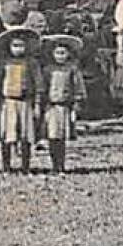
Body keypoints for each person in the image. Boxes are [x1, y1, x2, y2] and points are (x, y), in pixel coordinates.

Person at [0, 27, 39, 174]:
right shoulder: (4, 63)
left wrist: (37, 103)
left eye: (21, 45)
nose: (18, 49)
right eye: (15, 45)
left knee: (25, 135)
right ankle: (6, 166)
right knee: (8, 134)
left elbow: (39, 84)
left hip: (25, 102)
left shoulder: (31, 63)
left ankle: (25, 166)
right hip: (8, 102)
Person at [41, 35, 85, 173]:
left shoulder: (72, 69)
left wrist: (76, 105)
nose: (60, 56)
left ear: (69, 54)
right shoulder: (48, 70)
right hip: (51, 106)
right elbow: (43, 87)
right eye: (57, 53)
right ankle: (54, 165)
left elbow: (78, 88)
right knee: (52, 136)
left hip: (65, 107)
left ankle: (61, 165)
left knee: (62, 137)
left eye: (63, 53)